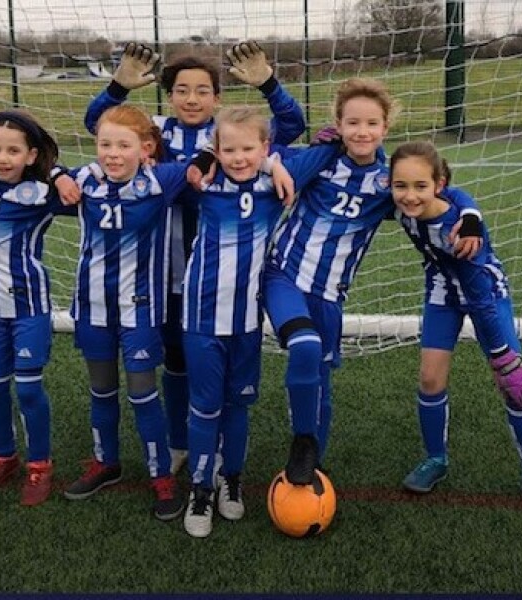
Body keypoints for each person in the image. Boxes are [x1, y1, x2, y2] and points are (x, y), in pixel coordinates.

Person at [83, 40, 307, 474]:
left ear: (217, 98)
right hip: (162, 265)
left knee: (215, 363)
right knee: (176, 359)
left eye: (203, 90)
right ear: (169, 96)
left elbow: (290, 125)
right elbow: (99, 125)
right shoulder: (157, 132)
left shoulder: (228, 136)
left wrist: (268, 86)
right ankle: (179, 441)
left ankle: (216, 443)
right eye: (182, 90)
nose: (191, 98)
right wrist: (117, 87)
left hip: (216, 271)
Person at [262, 77, 484, 486]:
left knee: (321, 378)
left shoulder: (388, 183)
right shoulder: (320, 161)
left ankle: (313, 461)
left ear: (385, 127)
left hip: (329, 295)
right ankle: (302, 442)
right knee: (305, 347)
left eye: (371, 123)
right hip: (284, 278)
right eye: (352, 123)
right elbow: (265, 156)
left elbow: (446, 193)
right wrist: (275, 160)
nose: (361, 131)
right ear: (338, 125)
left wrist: (470, 215)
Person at [388, 140, 522, 516]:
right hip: (442, 290)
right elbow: (455, 193)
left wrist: (502, 358)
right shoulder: (402, 206)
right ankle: (435, 459)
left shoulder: (461, 233)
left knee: (515, 388)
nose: (410, 195)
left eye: (420, 186)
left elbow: (480, 300)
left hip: (487, 294)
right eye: (401, 186)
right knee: (430, 379)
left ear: (438, 185)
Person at [179, 106, 337, 537]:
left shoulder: (274, 180)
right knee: (205, 407)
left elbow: (324, 148)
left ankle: (231, 479)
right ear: (215, 149)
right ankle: (200, 489)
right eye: (229, 149)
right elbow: (154, 170)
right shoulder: (202, 181)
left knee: (238, 404)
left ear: (265, 147)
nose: (238, 157)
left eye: (248, 149)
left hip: (247, 318)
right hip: (201, 317)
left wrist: (282, 161)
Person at [62, 104, 194, 521]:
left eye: (124, 145)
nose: (113, 154)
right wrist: (56, 174)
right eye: (105, 144)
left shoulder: (161, 180)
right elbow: (35, 164)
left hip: (140, 310)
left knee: (142, 393)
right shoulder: (84, 179)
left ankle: (161, 475)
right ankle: (107, 463)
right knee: (101, 390)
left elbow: (213, 160)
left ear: (146, 149)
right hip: (92, 308)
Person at [0, 110, 80, 506]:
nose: (2, 158)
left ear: (31, 156)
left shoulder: (42, 192)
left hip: (28, 307)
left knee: (28, 390)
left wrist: (58, 174)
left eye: (13, 151)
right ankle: (4, 457)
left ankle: (39, 464)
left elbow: (86, 187)